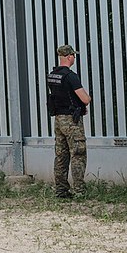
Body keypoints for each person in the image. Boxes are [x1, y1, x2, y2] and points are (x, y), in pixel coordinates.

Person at [46, 44, 92, 199]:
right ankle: (79, 191)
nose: (74, 58)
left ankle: (61, 191)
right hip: (72, 121)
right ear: (69, 57)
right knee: (78, 153)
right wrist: (87, 100)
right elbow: (84, 99)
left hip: (58, 120)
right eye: (73, 55)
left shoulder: (52, 75)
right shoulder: (71, 76)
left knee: (61, 155)